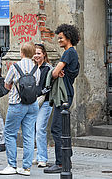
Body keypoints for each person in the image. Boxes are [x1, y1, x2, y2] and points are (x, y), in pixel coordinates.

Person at [0, 42, 40, 176]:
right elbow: (37, 85)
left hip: (17, 103)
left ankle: (11, 165)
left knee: (10, 134)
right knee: (29, 136)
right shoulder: (36, 68)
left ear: (21, 53)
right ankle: (26, 168)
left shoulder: (15, 66)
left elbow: (7, 84)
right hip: (32, 105)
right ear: (33, 53)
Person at [44, 24, 80, 174]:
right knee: (62, 128)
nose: (58, 40)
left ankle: (61, 163)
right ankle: (66, 158)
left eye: (61, 38)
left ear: (68, 38)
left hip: (63, 95)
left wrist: (56, 71)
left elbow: (54, 73)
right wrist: (58, 71)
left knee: (57, 128)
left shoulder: (68, 53)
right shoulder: (72, 53)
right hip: (67, 93)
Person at [32, 44, 53, 167]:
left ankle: (43, 158)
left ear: (44, 54)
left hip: (45, 102)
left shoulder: (48, 68)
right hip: (33, 102)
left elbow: (48, 87)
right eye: (34, 53)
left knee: (40, 129)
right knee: (35, 130)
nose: (36, 55)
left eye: (39, 53)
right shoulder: (33, 68)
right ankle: (39, 154)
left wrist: (37, 93)